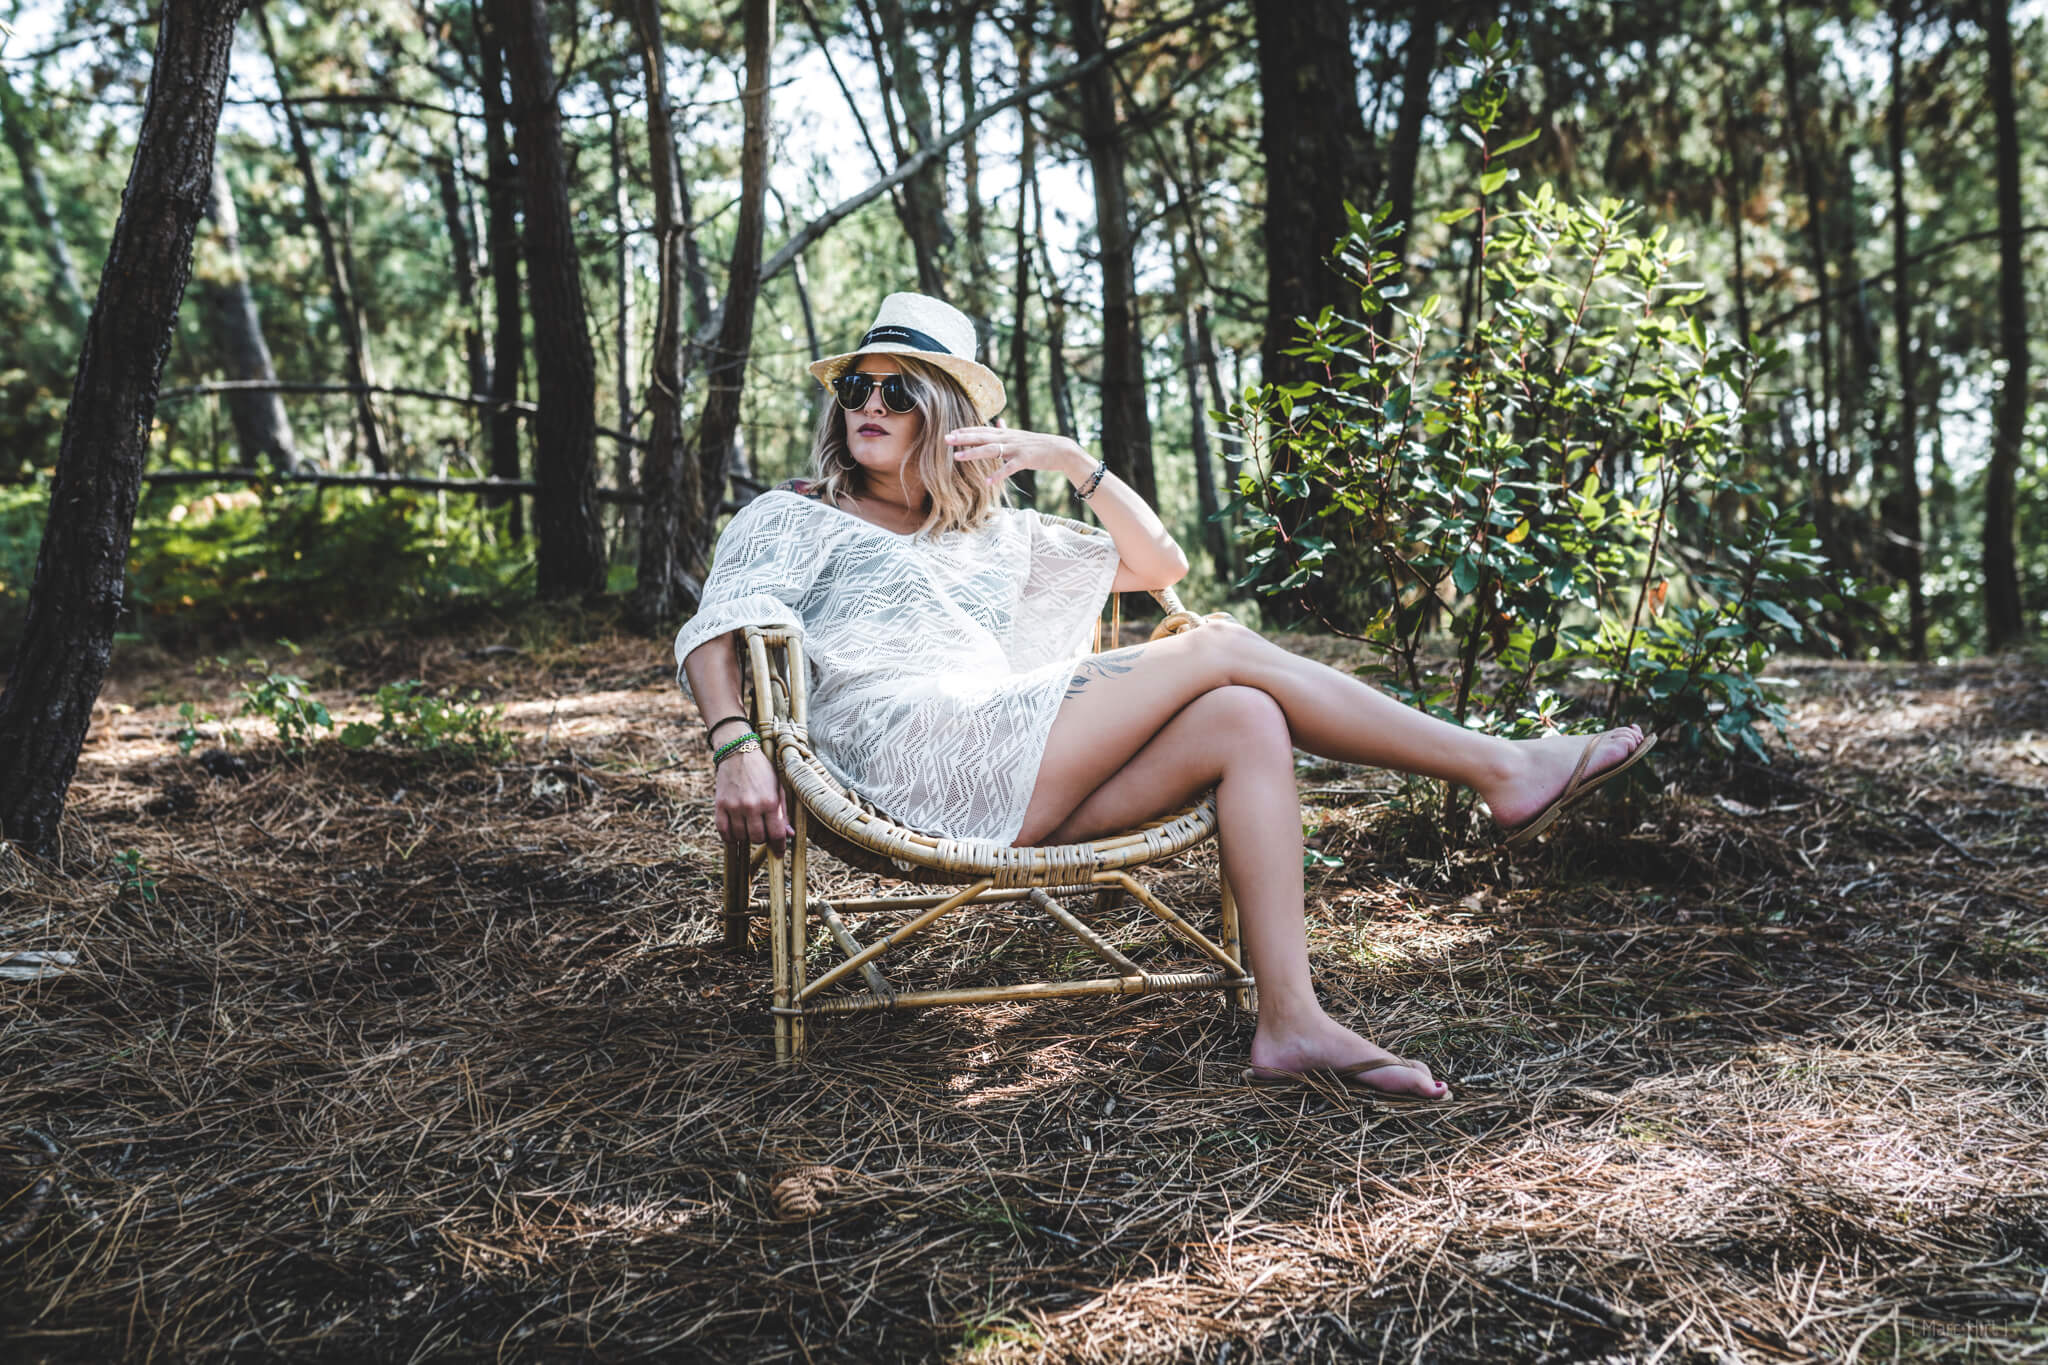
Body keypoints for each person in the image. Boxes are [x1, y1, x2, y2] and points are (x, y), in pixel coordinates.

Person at [675, 293, 1656, 1102]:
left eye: (898, 386)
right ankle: (1499, 765)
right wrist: (734, 742)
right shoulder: (792, 515)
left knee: (1242, 714)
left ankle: (1291, 1021)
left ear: (945, 411)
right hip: (904, 758)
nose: (869, 402)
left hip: (1010, 774)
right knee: (1221, 646)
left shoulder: (998, 539)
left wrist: (1068, 461)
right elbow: (714, 628)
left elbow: (1159, 563)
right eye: (857, 384)